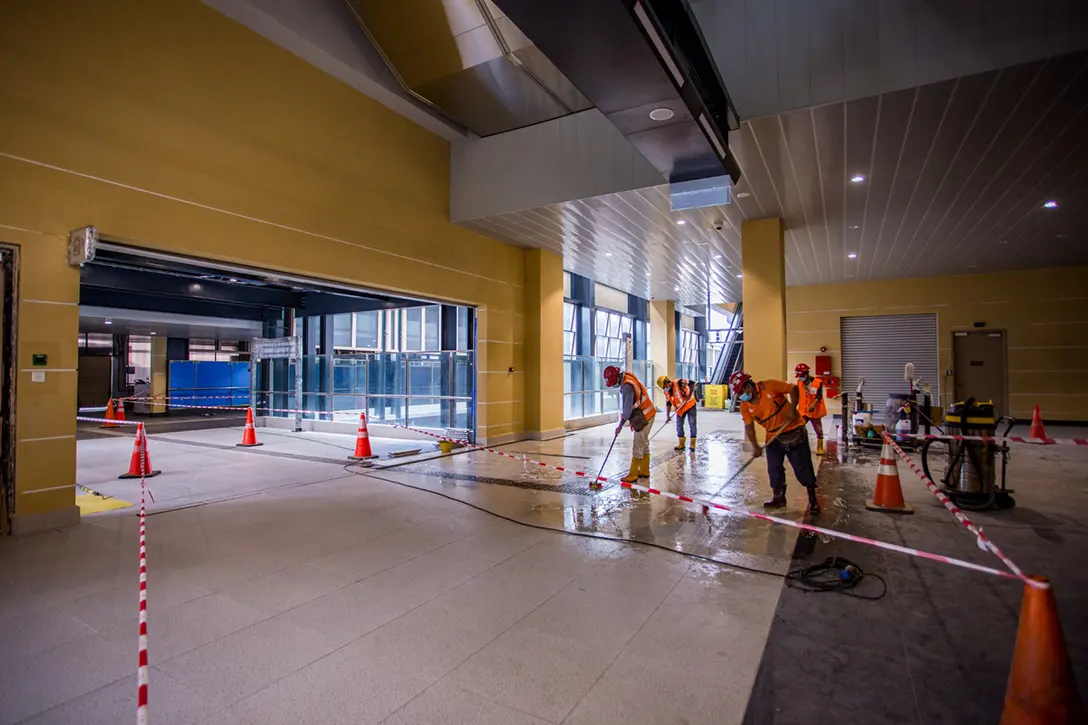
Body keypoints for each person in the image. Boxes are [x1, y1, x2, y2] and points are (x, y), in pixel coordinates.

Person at [729, 370, 820, 513]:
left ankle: (813, 500)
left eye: (741, 391)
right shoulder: (744, 406)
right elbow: (749, 427)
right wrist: (755, 446)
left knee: (802, 468)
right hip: (773, 436)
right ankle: (779, 498)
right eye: (739, 394)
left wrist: (792, 408)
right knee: (774, 469)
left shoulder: (770, 386)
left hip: (793, 429)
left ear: (748, 385)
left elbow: (793, 389)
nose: (741, 396)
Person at [604, 365, 656, 484]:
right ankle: (644, 470)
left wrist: (619, 426)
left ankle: (633, 474)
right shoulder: (627, 377)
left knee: (638, 443)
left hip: (644, 416)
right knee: (643, 443)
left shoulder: (627, 386)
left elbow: (627, 411)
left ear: (616, 378)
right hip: (649, 412)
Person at [657, 375, 698, 451]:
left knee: (692, 423)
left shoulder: (679, 382)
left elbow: (692, 383)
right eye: (664, 388)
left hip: (689, 405)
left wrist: (689, 395)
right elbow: (668, 403)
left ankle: (692, 444)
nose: (665, 388)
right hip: (680, 409)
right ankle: (681, 443)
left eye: (665, 386)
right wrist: (667, 416)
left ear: (667, 382)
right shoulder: (667, 392)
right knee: (679, 425)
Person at [794, 363, 827, 455]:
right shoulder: (799, 382)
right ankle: (801, 447)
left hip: (814, 410)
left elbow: (819, 396)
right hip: (803, 411)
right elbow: (798, 395)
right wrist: (793, 407)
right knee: (799, 428)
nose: (800, 378)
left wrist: (813, 405)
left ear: (807, 374)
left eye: (801, 376)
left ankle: (820, 447)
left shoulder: (817, 382)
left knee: (818, 430)